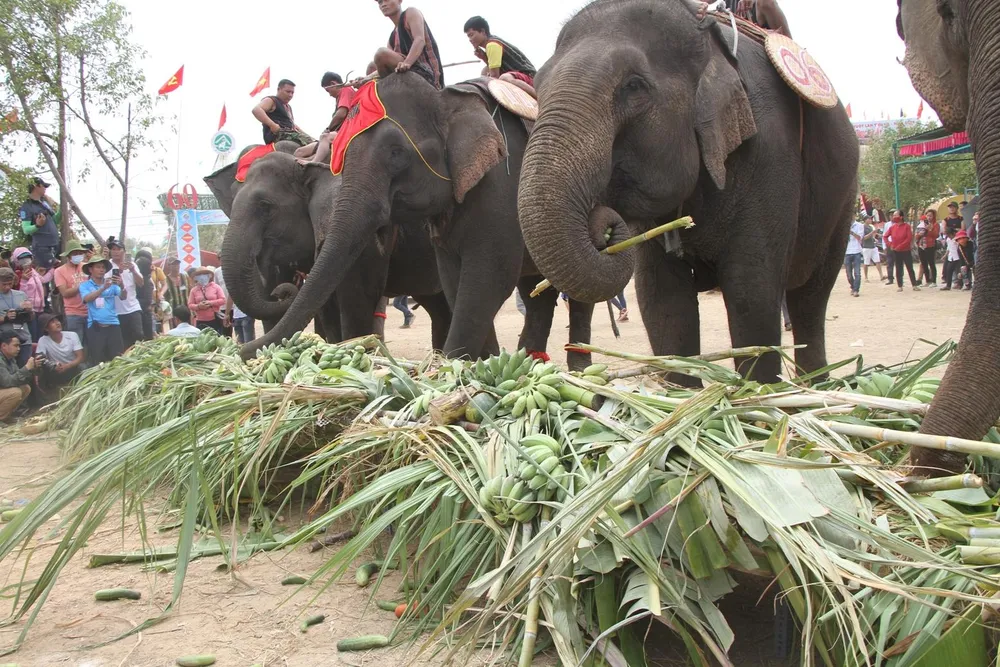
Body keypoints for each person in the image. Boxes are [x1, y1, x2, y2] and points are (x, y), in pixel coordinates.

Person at [373, 0, 445, 90]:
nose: (383, 4)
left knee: (381, 54)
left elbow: (419, 39)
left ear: (399, 1)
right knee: (372, 66)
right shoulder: (392, 37)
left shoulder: (411, 13)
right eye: (380, 2)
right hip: (403, 70)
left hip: (424, 71)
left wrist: (407, 63)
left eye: (386, 0)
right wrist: (366, 78)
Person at [464, 16, 537, 97]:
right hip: (517, 75)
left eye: (471, 35)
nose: (470, 39)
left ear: (482, 31)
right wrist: (484, 57)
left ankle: (538, 97)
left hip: (530, 77)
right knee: (485, 71)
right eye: (468, 36)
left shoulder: (492, 45)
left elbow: (495, 76)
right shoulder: (492, 42)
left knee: (504, 78)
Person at [295, 72, 358, 163]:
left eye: (328, 91)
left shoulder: (345, 90)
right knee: (299, 152)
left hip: (348, 131)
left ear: (333, 84)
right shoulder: (340, 96)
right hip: (338, 132)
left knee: (325, 137)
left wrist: (328, 128)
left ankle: (314, 162)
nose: (329, 94)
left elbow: (341, 114)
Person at [78, 256, 125, 365]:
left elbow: (123, 297)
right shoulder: (84, 286)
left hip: (113, 325)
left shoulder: (112, 284)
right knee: (97, 360)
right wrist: (103, 288)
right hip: (95, 327)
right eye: (98, 267)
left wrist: (121, 284)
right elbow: (86, 299)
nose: (101, 270)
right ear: (90, 269)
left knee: (118, 358)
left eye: (103, 267)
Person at [105, 237, 145, 349]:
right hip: (116, 310)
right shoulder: (106, 265)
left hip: (133, 307)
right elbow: (107, 284)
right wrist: (120, 271)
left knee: (138, 335)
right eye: (113, 249)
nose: (115, 252)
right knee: (122, 341)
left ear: (124, 251)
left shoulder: (132, 264)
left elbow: (141, 283)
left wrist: (132, 270)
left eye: (118, 249)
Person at [251, 79, 314, 147]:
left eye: (292, 93)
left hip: (290, 133)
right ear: (279, 89)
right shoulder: (272, 100)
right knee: (310, 143)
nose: (290, 95)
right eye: (288, 92)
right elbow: (256, 110)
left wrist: (310, 137)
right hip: (279, 135)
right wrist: (272, 125)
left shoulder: (288, 107)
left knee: (313, 142)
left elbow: (294, 126)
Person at [35, 313, 84, 398]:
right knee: (42, 370)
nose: (58, 323)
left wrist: (68, 366)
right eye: (53, 322)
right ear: (46, 328)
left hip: (72, 366)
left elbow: (80, 357)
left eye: (57, 320)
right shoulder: (43, 340)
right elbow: (39, 358)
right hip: (56, 369)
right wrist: (53, 366)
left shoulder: (72, 335)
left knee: (84, 367)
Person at [18, 176, 61, 271]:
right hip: (42, 248)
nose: (45, 188)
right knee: (45, 276)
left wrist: (62, 209)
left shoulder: (44, 203)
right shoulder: (27, 207)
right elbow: (26, 230)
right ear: (36, 186)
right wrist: (38, 225)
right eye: (43, 186)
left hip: (54, 245)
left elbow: (55, 220)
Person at [52, 240, 89, 345]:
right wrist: (81, 286)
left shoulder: (87, 267)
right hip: (73, 314)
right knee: (77, 344)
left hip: (91, 312)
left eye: (79, 253)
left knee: (91, 344)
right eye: (75, 253)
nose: (78, 255)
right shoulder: (59, 271)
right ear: (68, 255)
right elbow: (64, 293)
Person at [12, 247, 50, 339]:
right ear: (17, 260)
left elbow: (43, 280)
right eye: (22, 258)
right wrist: (24, 280)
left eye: (28, 257)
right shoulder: (17, 274)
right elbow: (19, 294)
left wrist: (53, 269)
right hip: (29, 311)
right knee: (33, 336)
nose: (26, 260)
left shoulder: (33, 271)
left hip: (40, 310)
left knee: (41, 336)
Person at [0, 330, 37, 422]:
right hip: (4, 389)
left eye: (19, 346)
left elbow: (19, 380)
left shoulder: (11, 359)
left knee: (25, 388)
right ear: (4, 346)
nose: (19, 349)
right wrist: (26, 368)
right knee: (15, 392)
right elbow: (7, 382)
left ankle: (6, 416)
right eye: (15, 345)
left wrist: (32, 368)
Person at [0, 267, 33, 368]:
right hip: (5, 343)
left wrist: (29, 310)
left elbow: (31, 318)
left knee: (26, 370)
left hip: (23, 339)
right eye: (4, 284)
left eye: (10, 284)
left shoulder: (21, 295)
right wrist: (5, 317)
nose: (7, 287)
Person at [886, 212, 920, 292]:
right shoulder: (892, 227)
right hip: (896, 251)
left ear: (901, 217)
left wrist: (900, 246)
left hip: (905, 250)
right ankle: (900, 285)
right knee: (898, 268)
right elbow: (885, 236)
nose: (894, 217)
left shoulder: (906, 226)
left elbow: (909, 238)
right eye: (893, 215)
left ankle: (914, 284)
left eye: (895, 215)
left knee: (909, 267)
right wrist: (890, 244)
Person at [187, 267, 227, 334]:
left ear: (209, 275)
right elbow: (190, 304)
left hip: (215, 319)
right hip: (200, 320)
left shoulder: (216, 287)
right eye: (199, 275)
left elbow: (223, 300)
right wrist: (199, 306)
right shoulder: (194, 290)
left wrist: (210, 303)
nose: (202, 277)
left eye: (204, 274)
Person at [163, 258, 191, 328]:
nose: (176, 266)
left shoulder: (185, 277)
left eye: (177, 264)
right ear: (169, 266)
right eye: (173, 264)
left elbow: (191, 289)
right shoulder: (165, 279)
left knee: (188, 327)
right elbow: (162, 293)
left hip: (186, 308)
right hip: (173, 309)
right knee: (175, 328)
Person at [915, 211, 939, 287]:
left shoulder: (935, 224)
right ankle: (927, 280)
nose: (929, 217)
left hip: (930, 245)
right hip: (921, 245)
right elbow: (916, 236)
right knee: (924, 263)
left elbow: (936, 235)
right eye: (927, 215)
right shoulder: (921, 224)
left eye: (930, 216)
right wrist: (919, 234)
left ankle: (934, 281)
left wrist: (930, 229)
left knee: (931, 263)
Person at [213, 264, 234, 339]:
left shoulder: (235, 268)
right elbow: (216, 288)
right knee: (226, 331)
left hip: (237, 307)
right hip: (224, 306)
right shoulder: (217, 271)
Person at [843, 218, 864, 297]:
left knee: (857, 273)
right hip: (847, 252)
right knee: (848, 274)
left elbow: (860, 238)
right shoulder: (844, 225)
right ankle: (853, 286)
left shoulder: (859, 225)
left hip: (856, 251)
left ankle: (856, 290)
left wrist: (851, 232)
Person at [860, 215, 883, 282]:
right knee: (866, 263)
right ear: (865, 220)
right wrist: (872, 233)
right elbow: (864, 238)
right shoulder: (862, 227)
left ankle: (881, 275)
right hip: (866, 247)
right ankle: (866, 277)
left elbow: (871, 236)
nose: (870, 220)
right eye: (869, 219)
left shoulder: (870, 227)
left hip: (873, 246)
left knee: (877, 261)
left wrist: (874, 238)